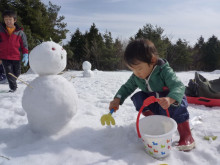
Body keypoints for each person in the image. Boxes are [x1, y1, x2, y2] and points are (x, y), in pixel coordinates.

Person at [109, 39, 195, 151]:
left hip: (169, 102)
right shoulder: (137, 76)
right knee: (139, 97)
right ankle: (155, 122)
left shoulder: (164, 71)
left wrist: (170, 99)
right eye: (133, 70)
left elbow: (179, 86)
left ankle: (186, 136)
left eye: (139, 68)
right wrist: (117, 99)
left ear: (152, 60)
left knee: (178, 106)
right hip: (156, 104)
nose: (136, 73)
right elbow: (126, 87)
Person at [0, 10, 28, 92]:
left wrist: (26, 54)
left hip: (16, 57)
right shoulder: (1, 30)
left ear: (14, 20)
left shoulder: (20, 33)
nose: (7, 21)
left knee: (17, 73)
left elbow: (24, 45)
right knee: (9, 73)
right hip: (4, 57)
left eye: (10, 19)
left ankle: (12, 82)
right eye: (5, 19)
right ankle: (13, 88)